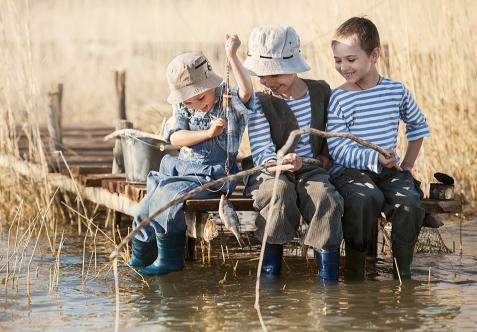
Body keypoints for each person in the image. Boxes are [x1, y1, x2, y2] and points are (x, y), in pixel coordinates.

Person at [128, 34, 253, 276]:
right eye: (189, 102)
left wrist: (232, 55)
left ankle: (170, 259)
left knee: (167, 196)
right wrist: (206, 133)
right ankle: (140, 257)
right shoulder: (184, 105)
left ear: (213, 84)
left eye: (201, 97)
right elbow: (174, 137)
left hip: (214, 175)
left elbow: (247, 92)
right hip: (183, 169)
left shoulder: (228, 100)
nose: (197, 105)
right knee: (145, 205)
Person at [327, 17, 431, 280]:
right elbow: (338, 149)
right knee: (365, 198)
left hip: (389, 170)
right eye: (338, 60)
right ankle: (355, 273)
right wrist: (374, 158)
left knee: (409, 203)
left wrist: (407, 165)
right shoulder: (339, 97)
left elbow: (418, 125)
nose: (343, 67)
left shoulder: (395, 91)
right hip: (350, 172)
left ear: (374, 55)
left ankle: (402, 274)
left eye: (351, 59)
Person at [242, 26, 344, 281]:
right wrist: (279, 163)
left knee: (325, 198)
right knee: (278, 193)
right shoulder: (259, 101)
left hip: (311, 167)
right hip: (270, 169)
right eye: (262, 77)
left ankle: (328, 279)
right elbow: (262, 150)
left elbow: (329, 136)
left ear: (294, 66)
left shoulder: (321, 91)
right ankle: (269, 277)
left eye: (275, 74)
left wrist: (320, 159)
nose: (268, 82)